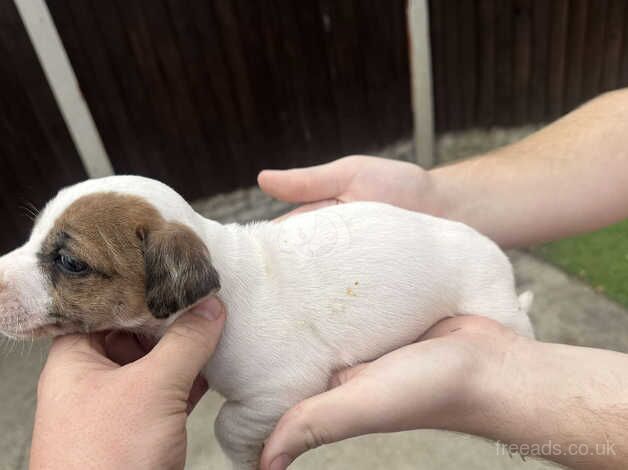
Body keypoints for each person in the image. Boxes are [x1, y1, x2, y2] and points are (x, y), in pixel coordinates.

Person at [30, 90, 628, 470]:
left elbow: (287, 382)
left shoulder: (238, 337)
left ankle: (517, 320)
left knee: (512, 333)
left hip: (472, 270)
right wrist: (437, 194)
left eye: (69, 264)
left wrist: (505, 371)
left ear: (172, 287)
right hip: (444, 246)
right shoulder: (206, 270)